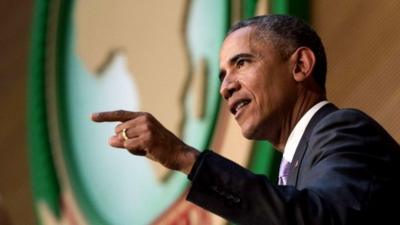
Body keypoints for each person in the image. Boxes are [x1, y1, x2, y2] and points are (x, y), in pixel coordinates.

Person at [91, 15, 400, 225]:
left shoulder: (343, 130)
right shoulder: (293, 175)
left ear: (300, 66)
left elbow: (321, 219)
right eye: (223, 76)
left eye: (242, 63)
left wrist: (186, 159)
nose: (226, 87)